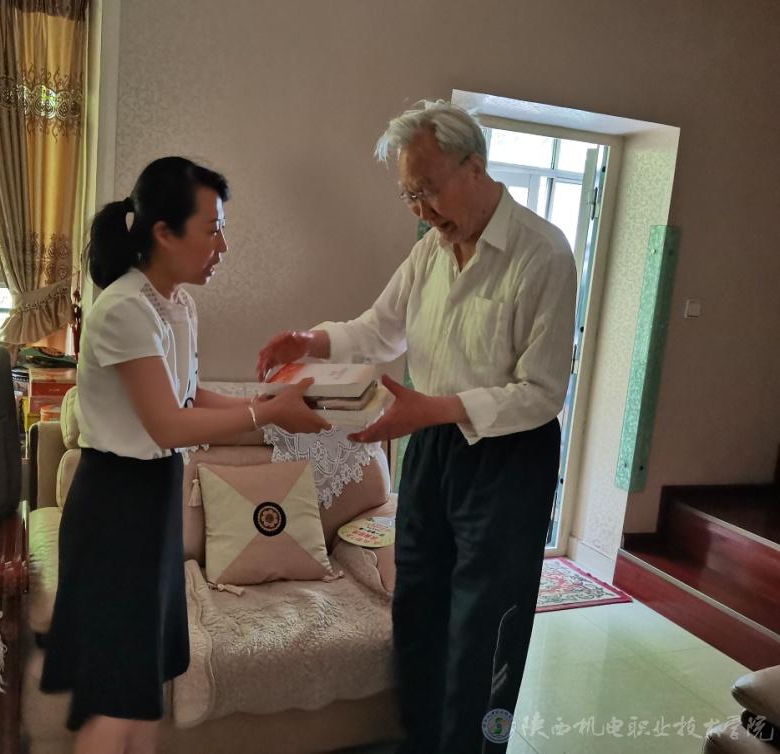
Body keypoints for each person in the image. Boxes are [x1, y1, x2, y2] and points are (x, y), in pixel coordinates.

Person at [256, 101, 577, 753]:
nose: (420, 209)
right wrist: (312, 341)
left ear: (474, 167)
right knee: (419, 607)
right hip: (432, 447)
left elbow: (542, 393)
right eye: (409, 195)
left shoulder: (542, 253)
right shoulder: (429, 252)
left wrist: (435, 409)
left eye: (427, 189)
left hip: (508, 459)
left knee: (486, 627)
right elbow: (380, 329)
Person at [40, 156, 329, 754]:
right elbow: (169, 424)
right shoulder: (124, 308)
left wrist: (270, 400)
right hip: (116, 508)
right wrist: (270, 414)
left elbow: (189, 395)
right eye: (213, 229)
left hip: (153, 499)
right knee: (115, 698)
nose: (223, 245)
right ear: (164, 233)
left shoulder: (175, 304)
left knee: (143, 686)